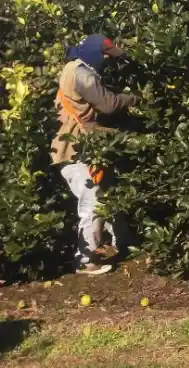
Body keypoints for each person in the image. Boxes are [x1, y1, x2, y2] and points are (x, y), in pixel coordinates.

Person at [50, 34, 139, 275]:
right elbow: (108, 104)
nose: (108, 61)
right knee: (92, 199)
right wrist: (134, 99)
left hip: (83, 146)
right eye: (105, 56)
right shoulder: (82, 73)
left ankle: (122, 242)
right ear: (93, 54)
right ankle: (86, 259)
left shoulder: (77, 68)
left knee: (105, 192)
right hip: (75, 147)